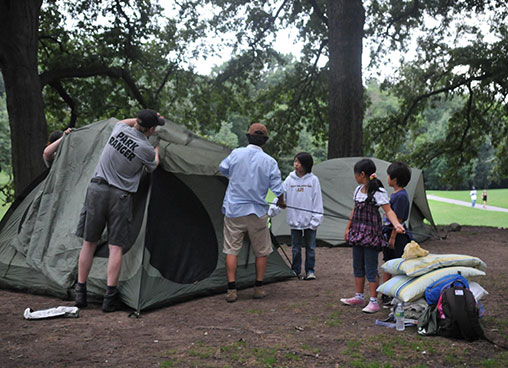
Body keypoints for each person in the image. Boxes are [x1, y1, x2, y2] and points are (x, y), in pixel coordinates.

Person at [74, 109, 163, 312]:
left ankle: (80, 293)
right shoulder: (146, 148)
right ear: (151, 130)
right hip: (120, 197)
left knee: (88, 243)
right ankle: (109, 298)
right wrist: (157, 149)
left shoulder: (119, 129)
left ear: (136, 122)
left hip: (96, 189)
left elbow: (126, 121)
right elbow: (153, 165)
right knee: (116, 247)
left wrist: (145, 119)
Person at [219, 122, 286, 303]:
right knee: (261, 251)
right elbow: (277, 188)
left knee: (232, 250)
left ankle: (232, 290)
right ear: (264, 141)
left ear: (248, 137)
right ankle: (258, 288)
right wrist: (281, 201)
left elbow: (223, 168)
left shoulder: (236, 154)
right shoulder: (269, 161)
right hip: (257, 212)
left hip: (234, 210)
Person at [340, 158, 405, 314]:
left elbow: (389, 211)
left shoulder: (378, 192)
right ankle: (359, 296)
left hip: (371, 235)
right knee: (357, 265)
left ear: (362, 174)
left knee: (370, 267)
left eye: (356, 174)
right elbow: (354, 211)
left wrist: (396, 224)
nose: (355, 177)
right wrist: (348, 228)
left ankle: (374, 301)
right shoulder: (357, 191)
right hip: (357, 233)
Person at [269, 152, 323, 280]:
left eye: (298, 162)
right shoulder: (289, 180)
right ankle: (296, 270)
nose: (296, 164)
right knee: (295, 248)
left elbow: (317, 200)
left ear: (306, 165)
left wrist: (316, 219)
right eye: (295, 161)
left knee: (310, 247)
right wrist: (271, 211)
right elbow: (281, 198)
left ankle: (310, 270)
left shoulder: (313, 180)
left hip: (310, 221)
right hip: (294, 220)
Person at [380, 162, 414, 306]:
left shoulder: (401, 196)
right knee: (387, 263)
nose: (387, 177)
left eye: (388, 175)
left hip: (397, 236)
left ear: (394, 178)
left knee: (396, 264)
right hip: (388, 233)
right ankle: (386, 293)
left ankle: (396, 293)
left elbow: (398, 219)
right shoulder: (395, 194)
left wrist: (393, 237)